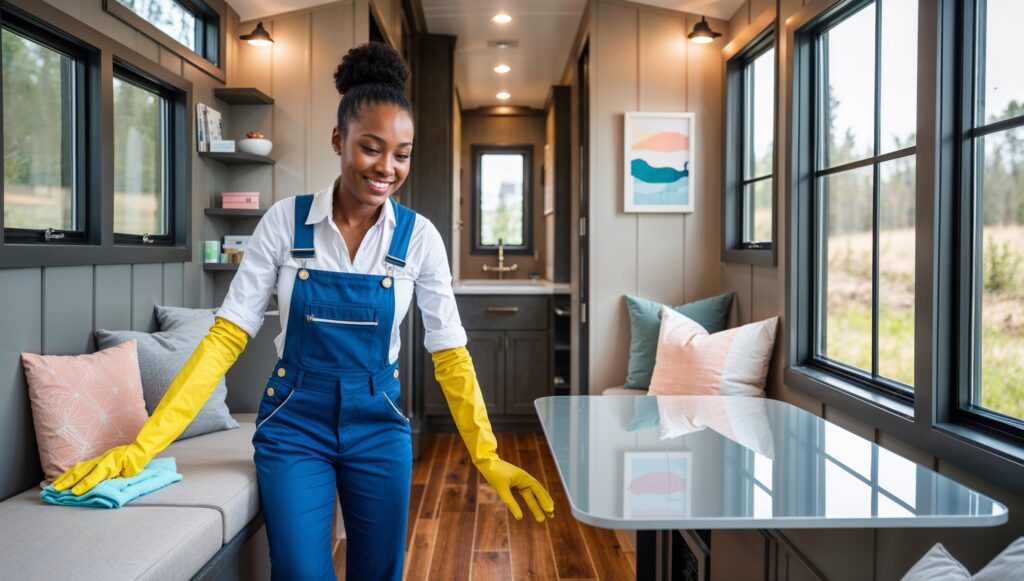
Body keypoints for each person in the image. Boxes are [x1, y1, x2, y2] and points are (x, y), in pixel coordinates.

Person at [51, 42, 554, 580]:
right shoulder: (283, 225)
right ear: (339, 140)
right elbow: (225, 338)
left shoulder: (420, 239)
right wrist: (143, 446)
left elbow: (450, 354)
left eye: (402, 154)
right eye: (371, 147)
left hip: (379, 425)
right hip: (294, 425)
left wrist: (486, 453)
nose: (387, 168)